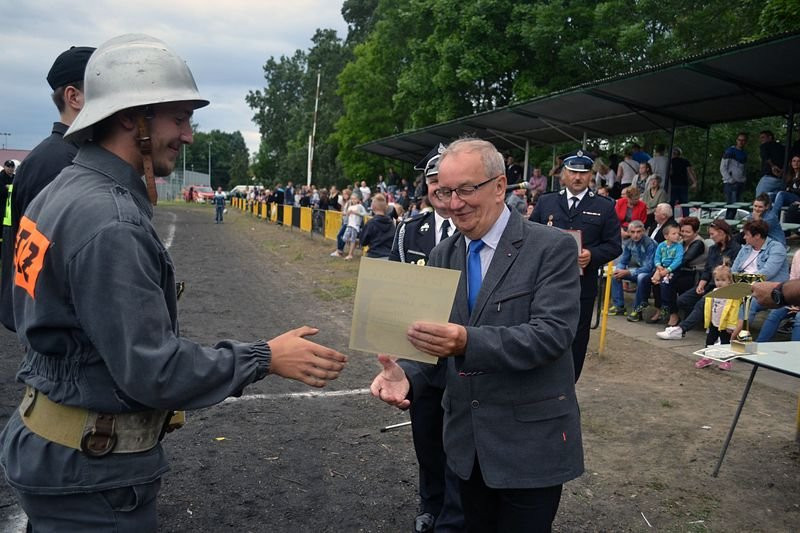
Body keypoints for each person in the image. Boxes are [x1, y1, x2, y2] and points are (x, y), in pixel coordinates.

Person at [0, 34, 347, 531]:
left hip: (53, 445)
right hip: (90, 476)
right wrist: (265, 357)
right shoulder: (110, 222)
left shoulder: (61, 191)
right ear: (130, 118)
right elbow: (153, 370)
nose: (187, 135)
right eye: (179, 118)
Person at [372, 138, 583, 532]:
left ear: (500, 186)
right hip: (464, 448)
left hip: (528, 448)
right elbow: (437, 350)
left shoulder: (551, 248)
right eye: (446, 192)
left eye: (466, 190)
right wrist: (410, 376)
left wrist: (467, 342)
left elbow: (552, 336)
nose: (454, 204)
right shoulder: (443, 255)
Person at [388, 145, 462, 533]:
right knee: (427, 433)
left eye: (446, 180)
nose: (439, 187)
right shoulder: (409, 230)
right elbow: (396, 286)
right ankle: (430, 503)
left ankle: (456, 506)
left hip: (465, 352)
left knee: (461, 438)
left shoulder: (476, 231)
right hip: (421, 355)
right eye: (433, 180)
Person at [1, 46, 95, 332]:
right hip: (55, 336)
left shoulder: (64, 154)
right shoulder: (56, 163)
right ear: (73, 96)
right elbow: (53, 265)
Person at [530, 150, 621, 381]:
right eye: (572, 172)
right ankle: (539, 382)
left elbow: (614, 245)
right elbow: (529, 237)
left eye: (583, 173)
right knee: (539, 331)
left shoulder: (605, 206)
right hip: (544, 283)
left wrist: (592, 255)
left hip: (582, 285)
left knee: (577, 339)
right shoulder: (547, 201)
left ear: (591, 175)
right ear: (563, 174)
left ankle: (568, 386)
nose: (577, 177)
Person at [656, 219, 740, 340]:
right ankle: (704, 322)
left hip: (725, 286)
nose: (710, 237)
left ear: (721, 232)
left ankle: (681, 329)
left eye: (712, 234)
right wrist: (701, 284)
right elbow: (707, 270)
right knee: (682, 300)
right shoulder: (713, 249)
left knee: (703, 302)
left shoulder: (736, 249)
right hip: (710, 283)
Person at [729, 219, 789, 340]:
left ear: (757, 236)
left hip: (768, 288)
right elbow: (734, 269)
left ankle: (733, 338)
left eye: (747, 234)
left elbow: (767, 272)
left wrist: (744, 283)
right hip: (743, 284)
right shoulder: (746, 248)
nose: (744, 237)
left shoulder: (776, 248)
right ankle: (719, 335)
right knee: (717, 297)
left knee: (749, 302)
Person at [694, 265, 741, 371]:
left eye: (723, 280)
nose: (720, 282)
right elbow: (709, 307)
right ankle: (707, 358)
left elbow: (734, 312)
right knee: (709, 340)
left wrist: (731, 325)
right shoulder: (714, 291)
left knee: (725, 342)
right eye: (717, 280)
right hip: (714, 321)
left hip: (725, 324)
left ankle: (726, 361)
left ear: (730, 280)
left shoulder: (733, 295)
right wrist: (708, 320)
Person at [608, 220, 656, 320]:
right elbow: (623, 260)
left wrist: (628, 272)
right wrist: (619, 269)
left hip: (654, 273)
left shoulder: (650, 243)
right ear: (629, 233)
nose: (636, 235)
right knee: (615, 274)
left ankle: (637, 311)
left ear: (643, 231)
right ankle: (619, 306)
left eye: (638, 232)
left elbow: (649, 267)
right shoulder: (629, 243)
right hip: (638, 270)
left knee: (641, 277)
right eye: (633, 232)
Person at [754, 251, 800, 342]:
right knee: (774, 314)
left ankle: (796, 353)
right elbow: (792, 279)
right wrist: (793, 301)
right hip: (794, 299)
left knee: (799, 318)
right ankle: (760, 345)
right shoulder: (798, 254)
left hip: (796, 298)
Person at [649, 223, 684, 323]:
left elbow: (678, 260)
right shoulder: (661, 245)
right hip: (661, 269)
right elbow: (657, 257)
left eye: (678, 233)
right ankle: (658, 309)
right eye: (674, 233)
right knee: (655, 285)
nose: (677, 235)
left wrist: (667, 270)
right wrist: (658, 266)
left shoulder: (678, 247)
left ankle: (673, 313)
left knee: (667, 286)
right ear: (666, 236)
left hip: (673, 270)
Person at [359, 193, 394, 259]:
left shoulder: (371, 223)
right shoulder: (392, 223)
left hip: (374, 256)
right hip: (389, 257)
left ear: (372, 206)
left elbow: (363, 241)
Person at [720, 133, 748, 203]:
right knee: (731, 207)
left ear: (746, 142)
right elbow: (722, 167)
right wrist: (730, 180)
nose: (741, 142)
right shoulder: (729, 151)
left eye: (743, 140)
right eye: (739, 140)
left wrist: (744, 179)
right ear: (736, 140)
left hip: (740, 183)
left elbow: (744, 168)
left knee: (735, 208)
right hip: (730, 184)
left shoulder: (744, 153)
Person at [755, 130, 785, 196]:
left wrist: (773, 166)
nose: (761, 140)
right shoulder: (783, 147)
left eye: (763, 137)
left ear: (770, 137)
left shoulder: (765, 145)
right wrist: (783, 171)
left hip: (768, 178)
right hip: (782, 179)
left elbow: (766, 157)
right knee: (774, 201)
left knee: (760, 199)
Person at [770, 154, 800, 219]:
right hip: (789, 196)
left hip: (797, 198)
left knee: (781, 194)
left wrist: (790, 189)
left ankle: (772, 218)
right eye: (794, 161)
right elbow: (785, 188)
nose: (796, 163)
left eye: (798, 161)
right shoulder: (790, 174)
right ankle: (761, 217)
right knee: (769, 195)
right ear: (791, 163)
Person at [343, 194, 367, 260]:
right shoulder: (350, 206)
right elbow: (345, 214)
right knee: (345, 238)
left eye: (354, 199)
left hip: (355, 225)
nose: (353, 200)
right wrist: (347, 213)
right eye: (352, 199)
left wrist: (357, 213)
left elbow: (365, 214)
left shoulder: (360, 206)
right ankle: (356, 242)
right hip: (349, 224)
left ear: (358, 200)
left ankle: (350, 254)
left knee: (352, 239)